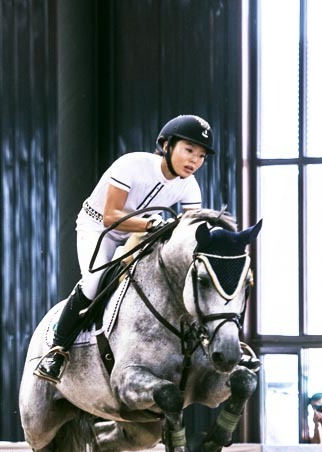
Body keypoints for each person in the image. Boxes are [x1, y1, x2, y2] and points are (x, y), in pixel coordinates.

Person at [34, 114, 214, 384]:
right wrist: (152, 224)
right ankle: (56, 351)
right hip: (99, 228)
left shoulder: (190, 187)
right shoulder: (132, 164)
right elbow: (111, 216)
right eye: (189, 150)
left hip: (141, 233)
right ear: (166, 145)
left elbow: (192, 234)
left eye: (201, 156)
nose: (194, 161)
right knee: (94, 283)